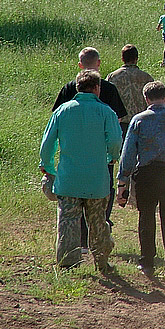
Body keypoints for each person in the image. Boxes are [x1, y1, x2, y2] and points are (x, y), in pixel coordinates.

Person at [40, 70, 122, 272]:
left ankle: (69, 262)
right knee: (98, 222)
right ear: (97, 88)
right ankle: (101, 261)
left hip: (68, 179)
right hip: (97, 179)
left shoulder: (62, 111)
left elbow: (47, 143)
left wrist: (48, 167)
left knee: (68, 221)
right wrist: (111, 157)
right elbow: (115, 141)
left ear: (78, 88)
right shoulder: (106, 112)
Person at [116, 81, 165, 291]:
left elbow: (129, 153)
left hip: (147, 174)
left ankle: (147, 262)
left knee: (147, 216)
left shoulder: (138, 120)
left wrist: (122, 181)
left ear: (146, 99)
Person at [53, 47, 127, 249]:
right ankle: (100, 233)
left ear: (79, 65)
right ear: (99, 63)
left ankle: (76, 241)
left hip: (72, 155)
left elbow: (56, 119)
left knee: (72, 198)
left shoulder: (70, 88)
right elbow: (118, 118)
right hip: (101, 156)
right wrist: (113, 154)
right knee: (101, 195)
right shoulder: (108, 89)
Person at [106, 44, 154, 137]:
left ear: (122, 59)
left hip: (120, 125)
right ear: (136, 58)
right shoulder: (147, 78)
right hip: (142, 123)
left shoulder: (112, 77)